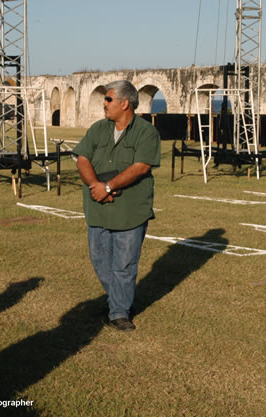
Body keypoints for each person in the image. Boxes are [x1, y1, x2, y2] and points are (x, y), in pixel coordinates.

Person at [72, 80, 161, 332]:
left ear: (125, 103)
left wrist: (108, 187)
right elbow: (83, 158)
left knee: (124, 263)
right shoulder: (98, 129)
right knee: (100, 259)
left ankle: (119, 312)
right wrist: (95, 187)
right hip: (98, 206)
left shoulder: (146, 132)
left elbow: (141, 166)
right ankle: (117, 302)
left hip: (129, 210)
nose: (104, 104)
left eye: (109, 99)